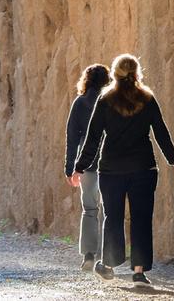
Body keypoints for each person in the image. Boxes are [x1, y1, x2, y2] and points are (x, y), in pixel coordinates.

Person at [74, 53, 174, 288]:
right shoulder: (148, 99)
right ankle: (139, 272)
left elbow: (93, 138)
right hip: (144, 167)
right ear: (137, 73)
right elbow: (160, 132)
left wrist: (79, 167)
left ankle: (109, 266)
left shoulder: (105, 100)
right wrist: (173, 160)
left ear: (115, 74)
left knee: (113, 216)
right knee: (141, 218)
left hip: (112, 169)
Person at [64, 63, 111, 270]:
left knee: (90, 209)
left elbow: (72, 138)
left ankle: (89, 256)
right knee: (111, 210)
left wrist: (70, 167)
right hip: (112, 162)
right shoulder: (111, 102)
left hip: (87, 164)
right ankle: (108, 256)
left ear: (86, 80)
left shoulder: (80, 103)